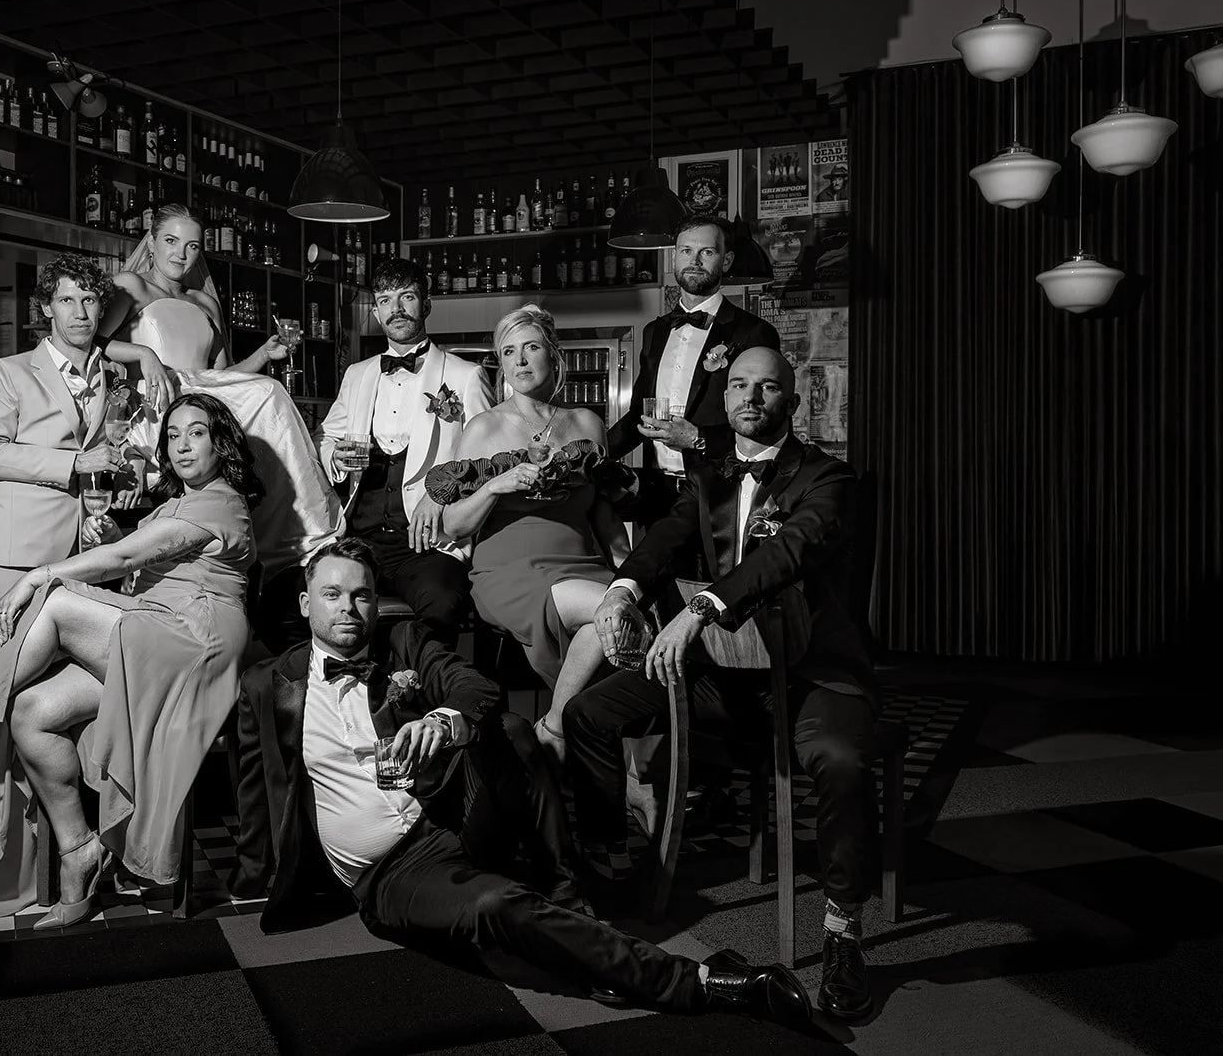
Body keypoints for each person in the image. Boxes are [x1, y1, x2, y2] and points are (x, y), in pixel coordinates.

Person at [232, 538, 813, 1030]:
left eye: (361, 595)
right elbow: (256, 786)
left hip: (448, 815)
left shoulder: (403, 641)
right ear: (306, 603)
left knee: (509, 729)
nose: (349, 608)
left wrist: (443, 721)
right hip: (392, 874)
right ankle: (703, 980)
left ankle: (568, 898)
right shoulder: (266, 684)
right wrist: (253, 879)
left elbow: (476, 689)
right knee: (495, 905)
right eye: (332, 595)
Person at [564, 347, 880, 1022]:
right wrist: (621, 591)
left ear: (793, 401)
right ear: (724, 398)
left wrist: (701, 608)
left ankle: (843, 931)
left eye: (767, 386)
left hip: (810, 673)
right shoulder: (708, 474)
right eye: (739, 385)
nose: (750, 397)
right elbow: (664, 539)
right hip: (722, 674)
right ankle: (610, 873)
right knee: (588, 714)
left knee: (843, 761)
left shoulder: (829, 477)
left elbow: (787, 552)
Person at [0, 394, 258, 928]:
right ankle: (79, 850)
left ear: (221, 442)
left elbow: (127, 560)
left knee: (55, 600)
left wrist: (39, 574)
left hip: (194, 639)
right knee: (32, 712)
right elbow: (145, 554)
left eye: (197, 432)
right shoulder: (177, 502)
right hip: (151, 631)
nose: (182, 445)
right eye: (172, 435)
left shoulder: (222, 501)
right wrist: (117, 535)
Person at [0, 255, 132, 876]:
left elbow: (110, 460)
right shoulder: (10, 371)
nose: (80, 312)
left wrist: (108, 495)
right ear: (46, 308)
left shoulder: (111, 379)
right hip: (9, 555)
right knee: (9, 695)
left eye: (90, 301)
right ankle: (11, 861)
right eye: (67, 300)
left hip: (73, 563)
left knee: (36, 708)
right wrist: (74, 463)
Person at [100, 204, 341, 597]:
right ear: (152, 241)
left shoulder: (205, 302)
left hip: (205, 399)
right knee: (268, 392)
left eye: (193, 246)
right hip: (160, 402)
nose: (181, 254)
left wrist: (263, 355)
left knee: (270, 390)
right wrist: (144, 355)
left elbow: (224, 379)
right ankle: (311, 535)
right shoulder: (132, 286)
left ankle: (298, 539)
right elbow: (94, 344)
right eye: (171, 241)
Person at [424, 304, 629, 759]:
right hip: (511, 571)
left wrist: (630, 573)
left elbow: (603, 513)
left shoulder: (587, 423)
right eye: (508, 351)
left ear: (553, 354)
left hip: (582, 563)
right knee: (612, 613)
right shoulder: (484, 427)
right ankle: (569, 737)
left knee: (626, 620)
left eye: (531, 347)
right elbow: (454, 525)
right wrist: (494, 486)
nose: (519, 360)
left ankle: (566, 734)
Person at [313, 256, 494, 646]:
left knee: (442, 603)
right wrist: (335, 457)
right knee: (297, 600)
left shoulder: (465, 376)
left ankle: (419, 679)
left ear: (425, 304)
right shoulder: (357, 375)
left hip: (430, 543)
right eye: (384, 300)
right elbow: (323, 438)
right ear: (376, 313)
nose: (395, 309)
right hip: (359, 539)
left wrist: (441, 493)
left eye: (406, 297)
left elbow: (487, 460)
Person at [608, 215, 780, 528]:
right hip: (655, 496)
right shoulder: (654, 332)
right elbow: (637, 418)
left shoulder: (753, 333)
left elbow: (766, 423)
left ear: (726, 261)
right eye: (686, 251)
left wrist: (698, 438)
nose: (695, 261)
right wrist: (588, 454)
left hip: (721, 496)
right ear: (674, 257)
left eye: (707, 252)